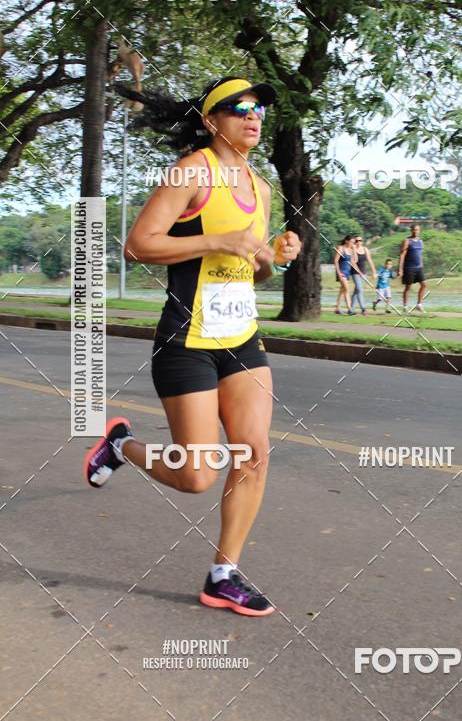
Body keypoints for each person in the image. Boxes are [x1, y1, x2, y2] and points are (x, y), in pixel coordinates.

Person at [84, 76, 302, 617]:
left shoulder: (260, 188)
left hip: (242, 339)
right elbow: (138, 245)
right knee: (196, 475)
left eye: (257, 110)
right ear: (210, 121)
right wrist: (217, 239)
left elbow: (252, 270)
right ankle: (121, 445)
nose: (252, 117)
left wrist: (274, 257)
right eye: (238, 108)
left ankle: (224, 575)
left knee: (253, 453)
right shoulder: (191, 171)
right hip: (187, 341)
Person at [398, 223, 426, 313]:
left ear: (419, 231)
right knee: (408, 287)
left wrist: (421, 265)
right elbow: (402, 255)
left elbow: (420, 254)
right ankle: (405, 306)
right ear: (411, 230)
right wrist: (400, 269)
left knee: (424, 285)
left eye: (417, 230)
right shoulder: (407, 241)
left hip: (419, 268)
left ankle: (419, 305)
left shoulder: (420, 241)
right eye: (414, 229)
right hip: (409, 267)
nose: (416, 231)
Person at [350, 234, 377, 316]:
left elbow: (370, 260)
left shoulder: (365, 249)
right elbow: (353, 262)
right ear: (354, 242)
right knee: (359, 289)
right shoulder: (352, 250)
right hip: (355, 272)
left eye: (360, 240)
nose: (358, 242)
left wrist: (374, 271)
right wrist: (359, 272)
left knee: (357, 291)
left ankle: (351, 308)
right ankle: (363, 309)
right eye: (356, 241)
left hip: (363, 273)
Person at [333, 234, 358, 315]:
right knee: (347, 289)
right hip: (341, 271)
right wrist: (338, 273)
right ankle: (349, 309)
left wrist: (354, 250)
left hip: (347, 272)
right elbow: (336, 261)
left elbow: (354, 261)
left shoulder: (351, 250)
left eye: (353, 243)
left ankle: (337, 309)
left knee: (343, 290)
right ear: (346, 241)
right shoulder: (340, 248)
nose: (352, 244)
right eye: (351, 242)